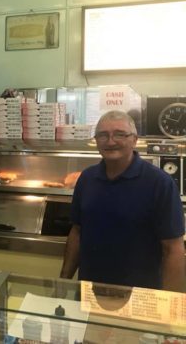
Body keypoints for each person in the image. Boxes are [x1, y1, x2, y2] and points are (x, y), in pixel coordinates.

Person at [60, 110, 185, 292]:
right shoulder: (87, 178)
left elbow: (173, 249)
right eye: (103, 135)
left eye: (120, 134)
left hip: (141, 297)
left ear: (134, 140)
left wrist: (172, 307)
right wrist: (64, 281)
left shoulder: (160, 184)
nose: (111, 141)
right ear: (95, 140)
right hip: (90, 291)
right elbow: (77, 232)